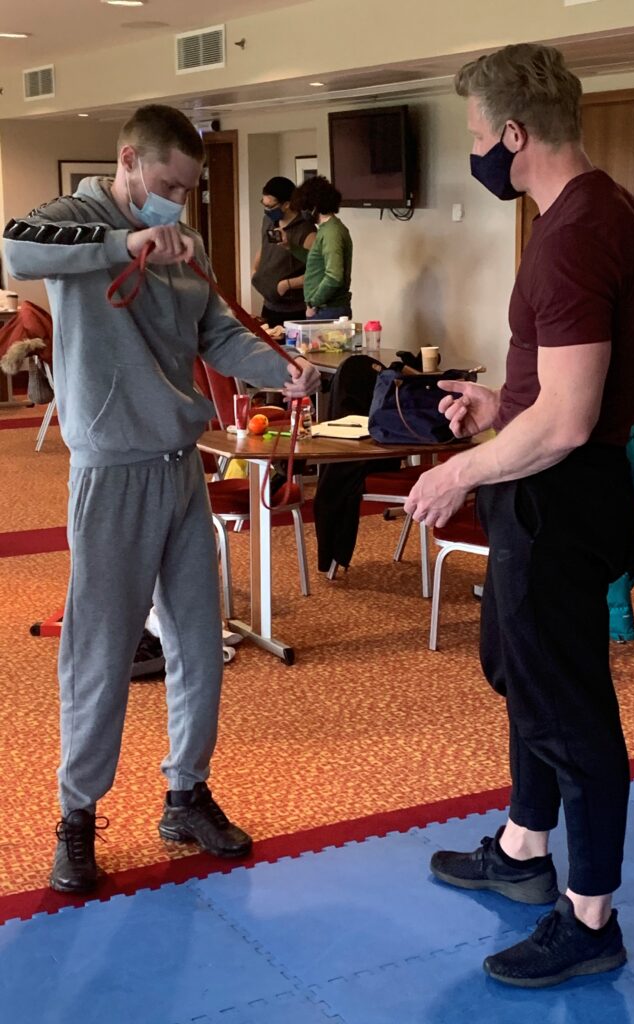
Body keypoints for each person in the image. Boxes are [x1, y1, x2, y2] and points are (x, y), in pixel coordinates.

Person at [3, 104, 320, 894]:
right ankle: (77, 817)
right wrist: (124, 244)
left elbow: (217, 332)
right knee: (100, 655)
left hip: (181, 468)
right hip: (112, 472)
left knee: (198, 645)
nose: (178, 202)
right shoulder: (76, 219)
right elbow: (15, 248)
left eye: (188, 189)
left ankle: (185, 795)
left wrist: (278, 368)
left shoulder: (188, 247)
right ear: (129, 162)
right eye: (169, 186)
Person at [404, 44, 634, 988]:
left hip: (559, 499)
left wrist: (459, 472)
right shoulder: (599, 210)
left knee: (567, 705)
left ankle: (590, 918)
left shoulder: (575, 235)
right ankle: (522, 848)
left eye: (478, 135)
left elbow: (569, 420)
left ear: (514, 134)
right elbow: (552, 395)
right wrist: (495, 405)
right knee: (523, 674)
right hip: (555, 490)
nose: (475, 151)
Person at [251, 175, 316, 329]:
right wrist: (255, 270)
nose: (267, 210)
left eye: (270, 206)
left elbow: (317, 272)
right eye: (264, 204)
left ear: (286, 204)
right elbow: (264, 246)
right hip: (269, 304)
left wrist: (286, 285)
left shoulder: (307, 231)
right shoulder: (268, 221)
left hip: (293, 310)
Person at [289, 175, 353, 320]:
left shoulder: (331, 233)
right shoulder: (327, 230)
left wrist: (313, 303)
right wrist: (290, 247)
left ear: (314, 207)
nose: (302, 213)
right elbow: (317, 262)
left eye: (304, 208)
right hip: (325, 309)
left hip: (327, 310)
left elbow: (334, 277)